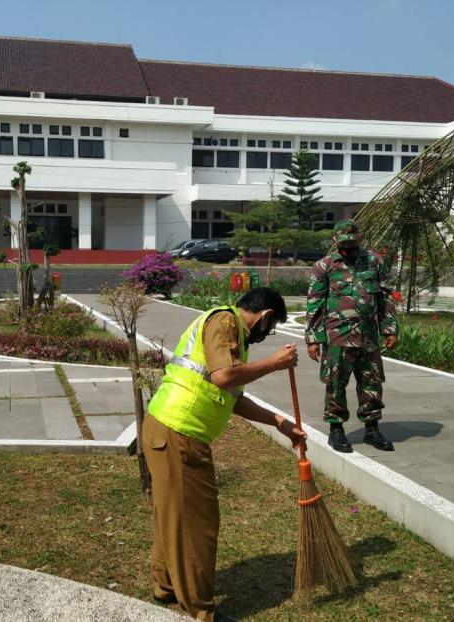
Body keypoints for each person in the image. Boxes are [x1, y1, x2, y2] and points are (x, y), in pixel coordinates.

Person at [143, 286, 306, 622]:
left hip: (169, 428)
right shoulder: (224, 322)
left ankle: (166, 586)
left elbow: (232, 395)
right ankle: (201, 610)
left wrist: (278, 422)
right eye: (271, 328)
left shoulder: (232, 334)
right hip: (179, 432)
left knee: (174, 517)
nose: (268, 334)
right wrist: (274, 364)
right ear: (265, 316)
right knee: (198, 524)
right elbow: (222, 377)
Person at [305, 219, 399, 453]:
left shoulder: (374, 262)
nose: (348, 248)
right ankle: (336, 430)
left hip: (368, 336)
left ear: (360, 238)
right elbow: (315, 303)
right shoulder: (324, 266)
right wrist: (313, 338)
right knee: (335, 384)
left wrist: (390, 328)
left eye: (352, 242)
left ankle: (372, 429)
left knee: (372, 382)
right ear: (335, 241)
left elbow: (385, 298)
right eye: (343, 243)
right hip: (338, 337)